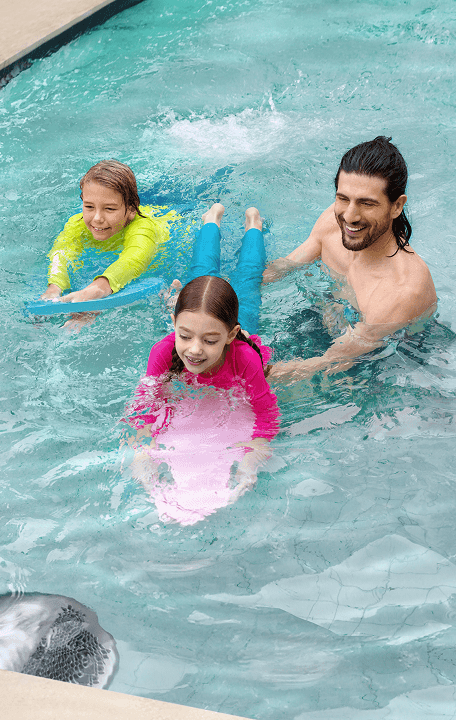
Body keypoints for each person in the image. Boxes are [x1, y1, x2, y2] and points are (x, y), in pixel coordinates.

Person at [126, 213, 279, 524]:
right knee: (201, 272)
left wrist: (254, 453)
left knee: (249, 278)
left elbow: (266, 413)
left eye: (209, 341)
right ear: (174, 326)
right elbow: (145, 406)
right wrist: (142, 451)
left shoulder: (244, 358)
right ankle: (213, 218)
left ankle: (253, 224)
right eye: (185, 336)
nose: (194, 350)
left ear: (229, 336)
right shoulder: (163, 351)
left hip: (240, 317)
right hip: (206, 318)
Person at [263, 136, 437, 380]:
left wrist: (254, 373)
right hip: (331, 319)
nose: (350, 216)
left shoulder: (402, 290)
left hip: (386, 358)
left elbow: (331, 361)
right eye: (343, 198)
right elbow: (280, 269)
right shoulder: (335, 222)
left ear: (397, 206)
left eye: (367, 204)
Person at [40, 160, 173, 326]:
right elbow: (61, 253)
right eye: (89, 206)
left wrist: (98, 288)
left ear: (131, 210)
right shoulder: (76, 224)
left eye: (109, 209)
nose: (97, 218)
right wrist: (55, 287)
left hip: (170, 219)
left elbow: (134, 259)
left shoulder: (144, 227)